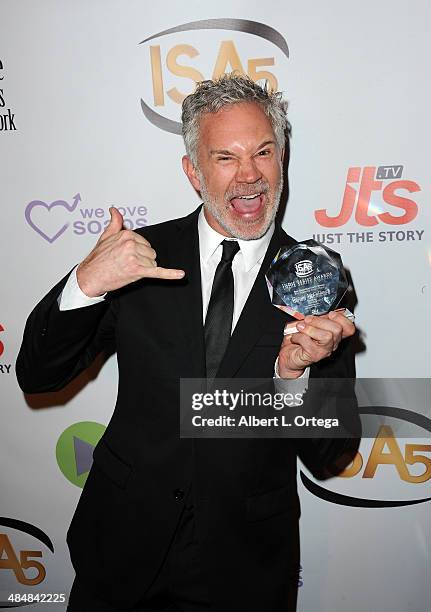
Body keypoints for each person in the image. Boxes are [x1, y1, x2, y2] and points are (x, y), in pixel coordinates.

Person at [17, 75, 358, 612]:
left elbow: (331, 451)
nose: (249, 177)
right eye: (225, 158)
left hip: (241, 568)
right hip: (121, 548)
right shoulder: (137, 258)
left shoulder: (315, 278)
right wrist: (84, 281)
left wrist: (293, 380)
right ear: (193, 171)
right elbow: (37, 374)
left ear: (283, 157)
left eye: (264, 152)